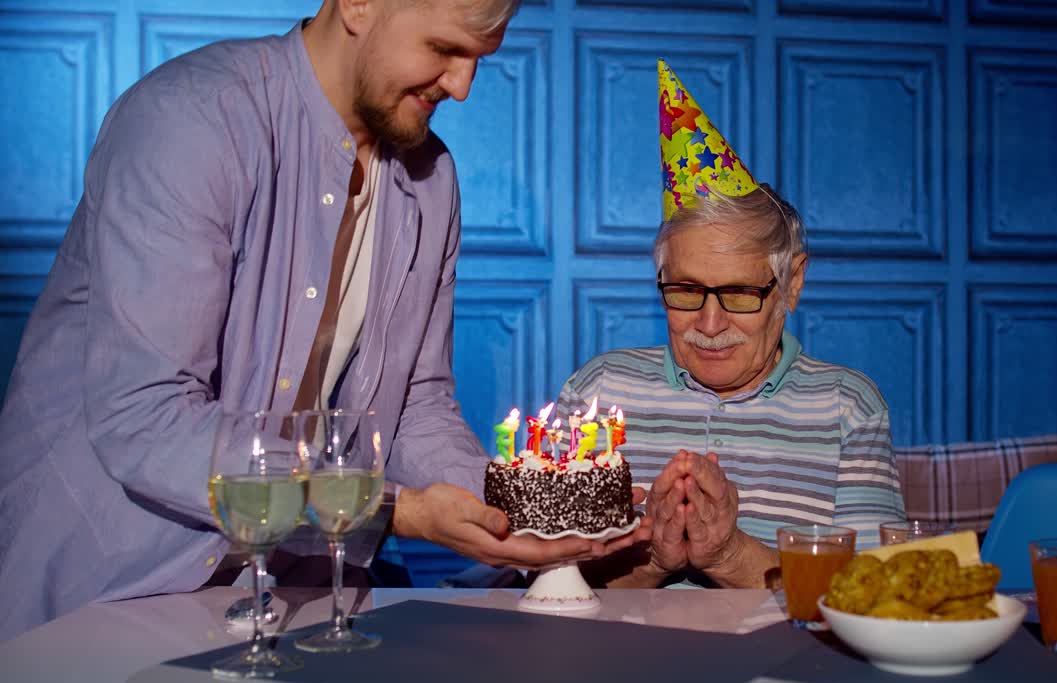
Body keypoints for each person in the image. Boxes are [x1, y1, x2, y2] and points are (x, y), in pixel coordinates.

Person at [0, 0, 647, 642]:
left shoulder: (431, 179)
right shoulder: (191, 120)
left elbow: (414, 408)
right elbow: (145, 415)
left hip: (298, 594)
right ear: (359, 5)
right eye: (445, 50)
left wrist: (521, 509)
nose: (462, 86)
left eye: (479, 59)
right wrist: (391, 510)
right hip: (110, 589)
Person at [562, 60, 903, 590]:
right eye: (685, 290)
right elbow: (551, 584)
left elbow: (877, 592)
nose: (710, 322)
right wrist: (655, 558)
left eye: (741, 293)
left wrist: (728, 553)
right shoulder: (598, 393)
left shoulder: (847, 407)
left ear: (791, 284)